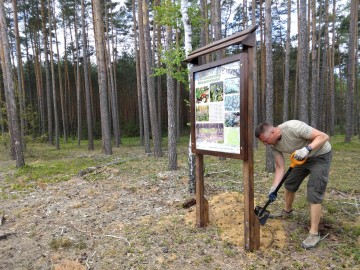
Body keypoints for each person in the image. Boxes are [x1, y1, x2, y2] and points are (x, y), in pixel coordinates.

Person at [255, 120, 332, 249]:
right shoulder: (273, 144)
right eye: (263, 142)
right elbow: (280, 167)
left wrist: (307, 149)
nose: (265, 144)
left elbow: (324, 136)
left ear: (273, 132)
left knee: (314, 191)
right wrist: (274, 188)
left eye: (266, 140)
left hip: (320, 155)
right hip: (301, 159)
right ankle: (287, 211)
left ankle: (314, 233)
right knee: (290, 183)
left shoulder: (293, 127)